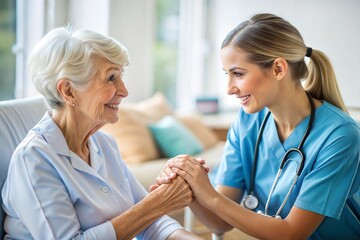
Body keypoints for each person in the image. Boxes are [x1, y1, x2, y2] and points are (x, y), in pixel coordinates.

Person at [152, 13, 360, 239]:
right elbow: (220, 224)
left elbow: (291, 234)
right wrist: (190, 186)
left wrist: (210, 195)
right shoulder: (248, 122)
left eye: (238, 74)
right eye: (227, 75)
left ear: (279, 69)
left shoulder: (340, 136)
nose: (229, 88)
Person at [1, 27, 204, 240]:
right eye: (111, 78)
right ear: (68, 91)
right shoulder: (34, 159)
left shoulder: (104, 144)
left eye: (120, 77)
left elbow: (151, 223)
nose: (124, 90)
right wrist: (157, 203)